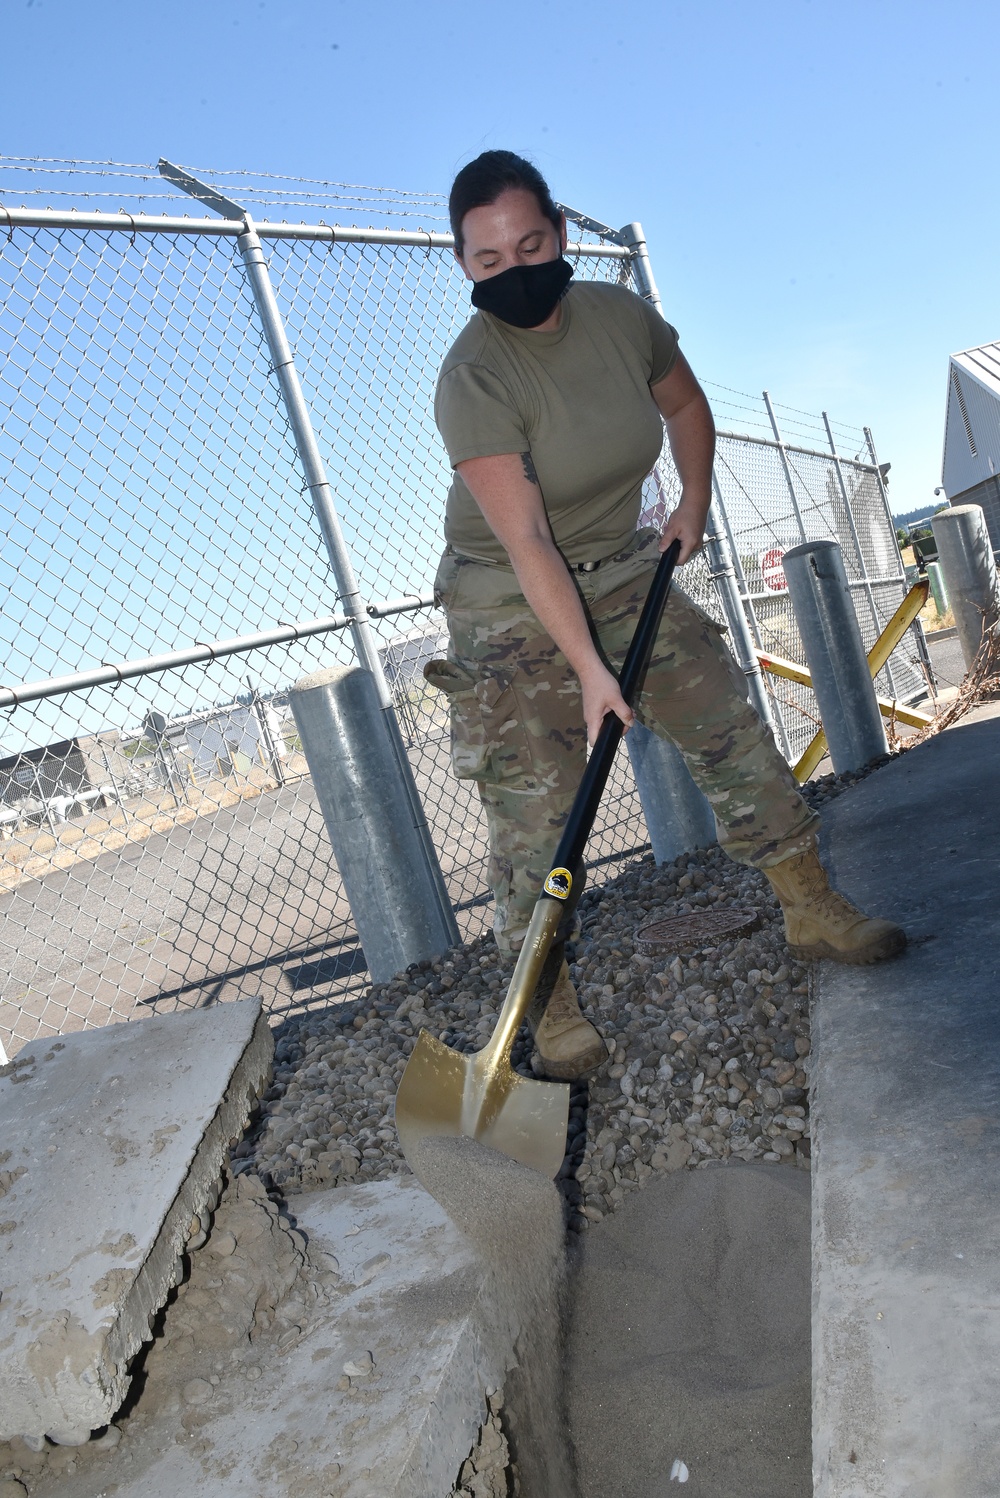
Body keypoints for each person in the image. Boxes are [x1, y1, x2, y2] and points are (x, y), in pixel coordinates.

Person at [425, 150, 904, 1081]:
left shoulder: (618, 317)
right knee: (540, 813)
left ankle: (810, 906)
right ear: (464, 267)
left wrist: (690, 500)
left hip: (625, 569)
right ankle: (546, 1005)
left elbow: (683, 402)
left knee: (726, 723)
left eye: (531, 244)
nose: (516, 270)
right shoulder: (475, 378)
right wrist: (594, 672)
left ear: (560, 234)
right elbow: (528, 545)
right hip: (510, 604)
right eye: (489, 261)